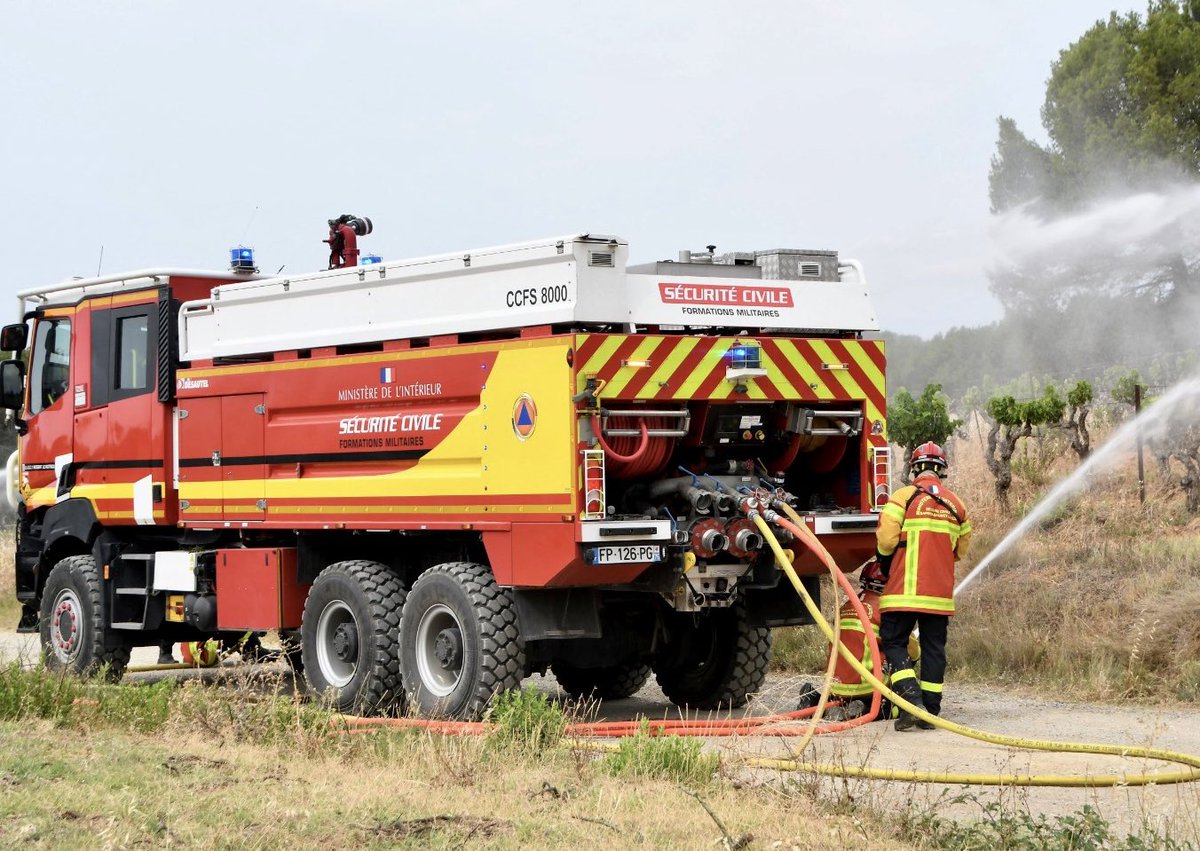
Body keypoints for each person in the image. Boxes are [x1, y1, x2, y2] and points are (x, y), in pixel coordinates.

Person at [875, 441, 972, 731]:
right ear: (941, 471)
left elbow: (886, 541)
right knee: (933, 648)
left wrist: (884, 564)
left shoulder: (902, 498)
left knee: (893, 642)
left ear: (914, 468)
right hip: (938, 596)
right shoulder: (957, 505)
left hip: (903, 591)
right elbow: (961, 551)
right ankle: (931, 712)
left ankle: (911, 698)